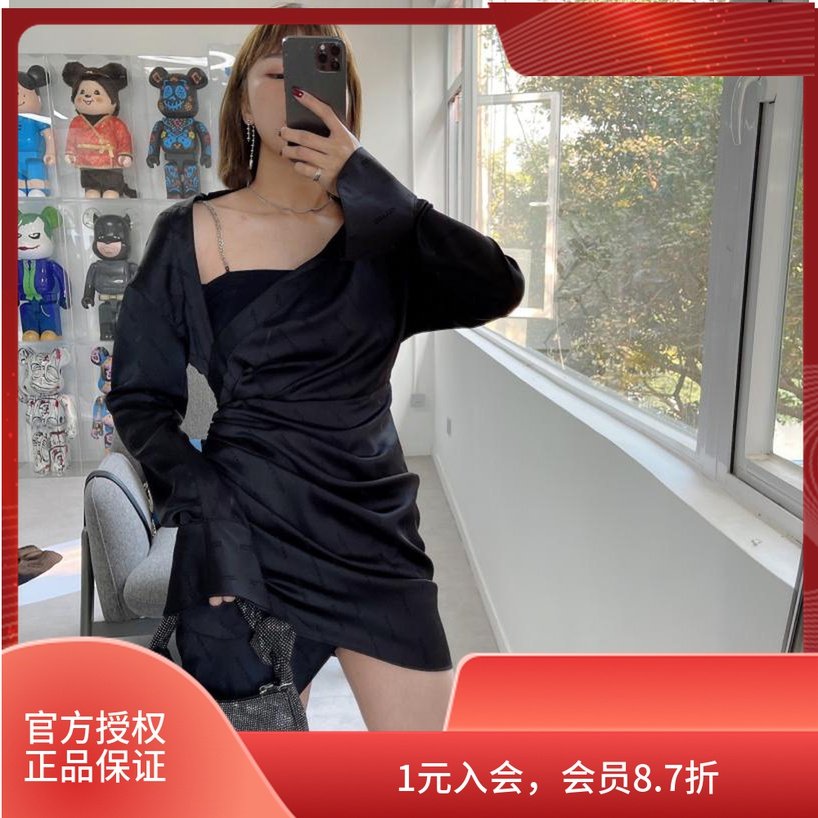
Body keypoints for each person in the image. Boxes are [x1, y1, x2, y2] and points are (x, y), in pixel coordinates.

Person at [106, 22, 525, 731]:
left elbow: (498, 287)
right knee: (260, 770)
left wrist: (364, 178)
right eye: (276, 75)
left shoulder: (387, 233)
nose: (298, 91)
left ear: (345, 104)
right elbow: (139, 398)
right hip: (248, 529)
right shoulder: (189, 231)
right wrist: (206, 510)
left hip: (375, 528)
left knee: (422, 770)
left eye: (320, 76)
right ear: (242, 103)